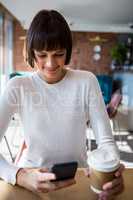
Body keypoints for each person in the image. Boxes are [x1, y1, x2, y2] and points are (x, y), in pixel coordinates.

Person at [0, 9, 124, 200]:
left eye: (58, 54)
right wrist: (20, 175)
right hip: (31, 180)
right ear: (32, 52)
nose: (50, 64)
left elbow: (106, 142)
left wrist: (111, 168)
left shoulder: (86, 81)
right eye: (42, 54)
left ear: (67, 51)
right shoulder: (18, 86)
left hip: (80, 178)